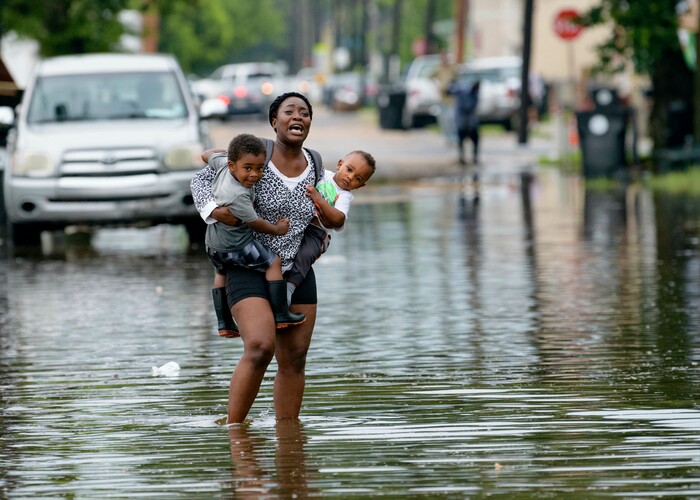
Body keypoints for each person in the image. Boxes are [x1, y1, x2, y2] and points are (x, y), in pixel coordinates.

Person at [190, 92, 337, 423]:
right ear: (275, 121)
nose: (297, 116)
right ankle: (234, 433)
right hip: (249, 262)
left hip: (296, 272)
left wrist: (338, 208)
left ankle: (289, 442)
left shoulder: (315, 164)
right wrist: (214, 212)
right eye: (289, 111)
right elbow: (200, 180)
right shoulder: (254, 153)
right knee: (258, 347)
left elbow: (329, 211)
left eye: (305, 112)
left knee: (295, 358)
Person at [204, 133, 305, 336]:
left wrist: (227, 154)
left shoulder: (222, 163)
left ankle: (224, 323)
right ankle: (280, 313)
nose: (254, 175)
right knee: (273, 262)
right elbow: (255, 223)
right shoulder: (238, 194)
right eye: (247, 168)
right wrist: (277, 229)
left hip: (212, 244)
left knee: (220, 272)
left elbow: (206, 154)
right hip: (236, 246)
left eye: (259, 168)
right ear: (233, 166)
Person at [285, 150, 376, 304]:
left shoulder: (344, 196)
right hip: (299, 221)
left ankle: (289, 287)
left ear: (360, 186)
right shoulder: (322, 174)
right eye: (349, 169)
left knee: (305, 255)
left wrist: (319, 199)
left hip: (316, 232)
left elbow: (338, 219)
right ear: (340, 164)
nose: (350, 177)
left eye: (357, 178)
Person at [449, 79, 481, 166]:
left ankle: (474, 158)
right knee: (461, 139)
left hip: (471, 121)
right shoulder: (462, 90)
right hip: (462, 120)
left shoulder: (476, 94)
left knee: (475, 139)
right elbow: (451, 90)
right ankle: (461, 158)